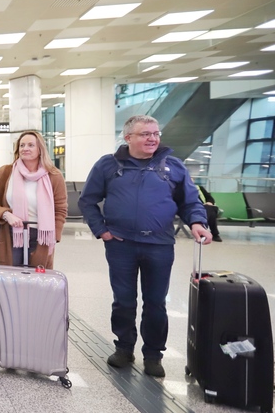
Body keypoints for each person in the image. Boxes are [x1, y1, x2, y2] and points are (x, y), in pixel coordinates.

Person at [79, 115, 211, 378]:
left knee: (156, 302)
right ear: (128, 138)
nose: (153, 138)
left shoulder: (172, 166)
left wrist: (197, 222)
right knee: (124, 301)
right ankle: (124, 348)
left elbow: (190, 201)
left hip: (159, 245)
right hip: (120, 245)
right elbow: (87, 201)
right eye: (145, 134)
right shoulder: (108, 165)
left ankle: (153, 354)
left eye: (155, 133)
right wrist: (101, 230)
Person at [0, 131, 67, 269]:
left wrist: (54, 236)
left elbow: (60, 209)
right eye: (22, 145)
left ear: (40, 149)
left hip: (41, 236)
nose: (25, 148)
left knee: (36, 281)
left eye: (30, 145)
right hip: (9, 233)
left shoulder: (54, 176)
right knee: (9, 279)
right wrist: (5, 214)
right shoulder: (5, 172)